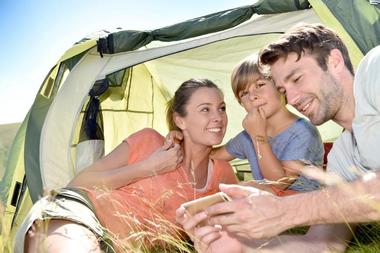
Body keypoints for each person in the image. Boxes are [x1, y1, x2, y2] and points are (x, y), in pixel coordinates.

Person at [179, 24, 380, 252]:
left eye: (297, 78)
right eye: (283, 90)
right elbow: (323, 245)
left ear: (334, 61)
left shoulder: (374, 69)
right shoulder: (343, 158)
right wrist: (244, 247)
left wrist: (284, 210)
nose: (292, 98)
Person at [15, 78, 238, 253]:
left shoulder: (223, 174)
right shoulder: (150, 141)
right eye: (205, 109)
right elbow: (79, 183)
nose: (218, 117)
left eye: (222, 108)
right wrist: (149, 167)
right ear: (180, 120)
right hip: (82, 215)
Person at [212, 54, 323, 195]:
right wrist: (182, 138)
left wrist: (259, 136)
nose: (252, 96)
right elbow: (213, 156)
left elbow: (278, 182)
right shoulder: (248, 136)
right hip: (267, 208)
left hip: (303, 209)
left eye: (260, 85)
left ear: (280, 87)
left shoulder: (303, 132)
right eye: (244, 93)